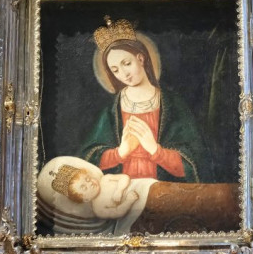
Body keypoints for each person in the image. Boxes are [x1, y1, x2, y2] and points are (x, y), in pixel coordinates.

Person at [79, 17, 208, 183]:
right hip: (121, 190)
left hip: (162, 190)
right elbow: (88, 160)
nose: (124, 74)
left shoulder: (173, 104)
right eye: (115, 70)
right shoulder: (112, 110)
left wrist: (155, 150)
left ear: (141, 58)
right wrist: (120, 153)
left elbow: (195, 162)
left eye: (127, 63)